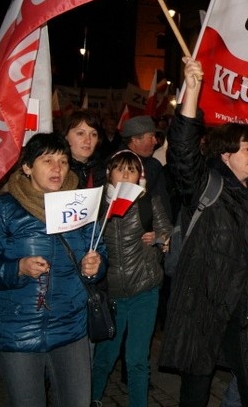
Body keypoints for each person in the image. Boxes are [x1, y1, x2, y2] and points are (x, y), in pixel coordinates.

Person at [158, 57, 248, 407]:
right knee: (195, 390)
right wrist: (192, 91)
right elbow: (181, 151)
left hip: (247, 308)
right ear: (225, 155)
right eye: (246, 148)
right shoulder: (204, 185)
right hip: (204, 302)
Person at [0, 133, 106, 407]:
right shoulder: (4, 208)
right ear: (27, 167)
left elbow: (98, 256)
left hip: (71, 330)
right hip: (18, 333)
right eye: (47, 160)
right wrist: (18, 268)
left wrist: (94, 267)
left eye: (63, 161)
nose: (57, 168)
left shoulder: (79, 205)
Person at [90, 150, 172, 407]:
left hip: (143, 289)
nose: (126, 174)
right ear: (109, 173)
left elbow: (167, 232)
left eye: (132, 170)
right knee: (106, 355)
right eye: (119, 169)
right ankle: (93, 398)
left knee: (136, 359)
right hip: (111, 292)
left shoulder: (148, 202)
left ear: (141, 177)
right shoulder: (95, 204)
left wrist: (159, 238)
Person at [120, 115, 172, 224]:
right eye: (151, 137)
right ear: (135, 140)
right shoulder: (121, 164)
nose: (156, 141)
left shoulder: (148, 161)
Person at [63, 109, 106, 188]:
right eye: (80, 133)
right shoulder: (57, 171)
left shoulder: (104, 172)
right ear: (66, 136)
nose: (88, 140)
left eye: (93, 134)